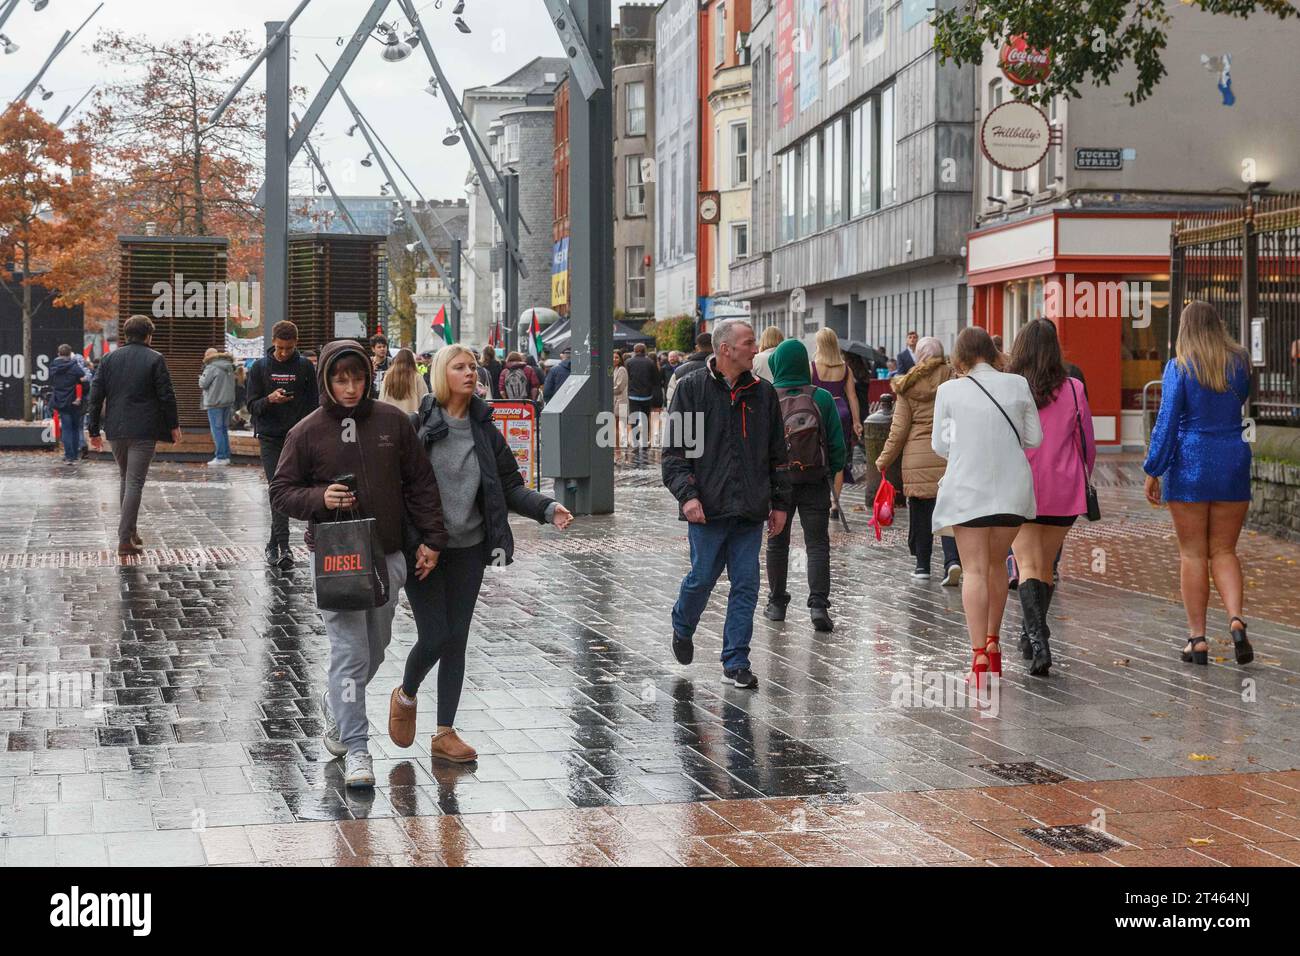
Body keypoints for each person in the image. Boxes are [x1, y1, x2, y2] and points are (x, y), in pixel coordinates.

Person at [270, 340, 448, 789]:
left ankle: (337, 699)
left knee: (375, 647)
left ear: (370, 377)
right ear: (327, 380)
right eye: (340, 379)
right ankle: (358, 748)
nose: (349, 388)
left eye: (357, 378)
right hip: (337, 556)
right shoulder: (306, 432)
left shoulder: (394, 422)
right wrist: (319, 498)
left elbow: (421, 483)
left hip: (388, 554)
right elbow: (281, 491)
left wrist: (432, 539)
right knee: (349, 653)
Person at [389, 345, 574, 762]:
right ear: (441, 373)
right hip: (424, 550)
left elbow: (509, 485)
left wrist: (546, 508)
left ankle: (444, 733)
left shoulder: (485, 430)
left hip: (469, 550)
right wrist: (418, 540)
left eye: (473, 366)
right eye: (459, 367)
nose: (470, 373)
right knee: (434, 635)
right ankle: (406, 694)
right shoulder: (419, 426)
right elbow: (402, 492)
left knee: (456, 640)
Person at [663, 319, 790, 688]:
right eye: (749, 343)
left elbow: (777, 454)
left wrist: (779, 503)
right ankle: (682, 624)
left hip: (750, 509)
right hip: (707, 509)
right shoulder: (690, 390)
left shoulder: (763, 394)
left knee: (747, 585)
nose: (755, 349)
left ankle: (736, 661)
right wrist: (688, 497)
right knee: (702, 577)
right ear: (725, 350)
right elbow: (674, 455)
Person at [1144, 301, 1255, 667]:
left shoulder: (1179, 367)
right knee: (1224, 550)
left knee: (1192, 553)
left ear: (1184, 329)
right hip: (1232, 460)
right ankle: (1236, 619)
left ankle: (1198, 638)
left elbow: (1168, 419)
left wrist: (1153, 467)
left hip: (1190, 461)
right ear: (1218, 325)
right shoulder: (1240, 363)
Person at [931, 327, 1042, 690]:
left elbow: (941, 445)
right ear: (993, 354)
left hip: (968, 491)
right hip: (1012, 492)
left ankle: (979, 656)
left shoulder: (948, 391)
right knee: (996, 565)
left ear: (959, 357)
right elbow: (1034, 438)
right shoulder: (1017, 385)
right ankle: (994, 644)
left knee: (974, 570)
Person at [1008, 319, 1095, 676]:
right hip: (1064, 488)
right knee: (1045, 566)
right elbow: (1087, 441)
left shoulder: (1011, 388)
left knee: (1026, 565)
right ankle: (1033, 635)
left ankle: (1039, 642)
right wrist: (1083, 473)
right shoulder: (1074, 387)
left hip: (1021, 486)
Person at [764, 337, 845, 632]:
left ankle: (776, 603)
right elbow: (838, 445)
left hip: (779, 483)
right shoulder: (821, 397)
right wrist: (830, 471)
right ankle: (819, 606)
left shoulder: (768, 396)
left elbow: (761, 445)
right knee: (818, 544)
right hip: (814, 481)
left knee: (777, 542)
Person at [86, 315, 182, 557]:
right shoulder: (155, 358)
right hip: (143, 429)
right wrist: (173, 425)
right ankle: (124, 538)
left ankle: (131, 531)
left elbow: (95, 396)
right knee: (134, 482)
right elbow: (166, 395)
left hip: (116, 429)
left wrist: (93, 430)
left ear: (125, 335)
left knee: (125, 478)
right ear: (149, 335)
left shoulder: (108, 359)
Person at [875, 336, 962, 585]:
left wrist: (883, 460)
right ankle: (952, 561)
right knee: (949, 513)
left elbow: (899, 430)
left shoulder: (908, 383)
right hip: (949, 455)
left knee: (921, 514)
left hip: (917, 459)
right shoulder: (955, 379)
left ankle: (922, 566)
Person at [246, 321, 319, 569]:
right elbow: (251, 407)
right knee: (277, 487)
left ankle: (272, 543)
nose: (284, 353)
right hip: (270, 437)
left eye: (289, 348)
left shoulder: (305, 367)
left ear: (296, 344)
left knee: (292, 489)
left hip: (298, 437)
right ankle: (284, 545)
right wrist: (270, 399)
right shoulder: (259, 368)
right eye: (280, 348)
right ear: (273, 343)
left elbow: (314, 406)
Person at [811, 328, 863, 516]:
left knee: (818, 456)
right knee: (838, 459)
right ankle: (835, 502)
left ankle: (822, 498)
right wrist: (857, 421)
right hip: (841, 412)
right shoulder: (845, 368)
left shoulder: (812, 367)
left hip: (819, 411)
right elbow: (852, 397)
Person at [49, 344, 93, 465]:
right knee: (75, 428)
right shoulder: (75, 367)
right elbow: (85, 384)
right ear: (70, 354)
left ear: (58, 354)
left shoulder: (54, 367)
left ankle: (68, 456)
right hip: (75, 402)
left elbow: (52, 381)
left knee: (67, 429)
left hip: (61, 401)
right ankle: (74, 455)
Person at [199, 347, 236, 466]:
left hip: (214, 402)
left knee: (217, 430)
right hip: (227, 402)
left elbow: (203, 384)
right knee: (224, 429)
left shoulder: (211, 367)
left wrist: (200, 378)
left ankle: (220, 457)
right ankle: (226, 456)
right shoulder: (228, 366)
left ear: (208, 356)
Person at [624, 342, 659, 452]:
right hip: (646, 396)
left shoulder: (629, 362)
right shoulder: (650, 362)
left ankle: (635, 442)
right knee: (645, 419)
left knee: (634, 419)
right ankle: (644, 443)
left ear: (635, 351)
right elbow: (656, 379)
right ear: (645, 350)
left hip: (633, 395)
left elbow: (627, 377)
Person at [666, 332, 713, 408]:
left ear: (697, 347)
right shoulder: (725, 368)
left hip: (689, 417)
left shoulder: (680, 371)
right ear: (714, 345)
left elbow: (672, 400)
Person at [378, 347, 430, 414]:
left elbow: (382, 398)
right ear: (411, 360)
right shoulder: (417, 377)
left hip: (391, 417)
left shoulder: (388, 376)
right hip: (411, 419)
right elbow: (425, 399)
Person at [612, 350, 629, 449]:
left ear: (620, 359)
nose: (614, 359)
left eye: (616, 357)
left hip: (620, 401)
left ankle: (618, 449)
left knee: (618, 425)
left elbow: (619, 387)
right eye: (613, 357)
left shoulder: (621, 369)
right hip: (614, 401)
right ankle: (617, 447)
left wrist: (606, 390)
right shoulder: (612, 369)